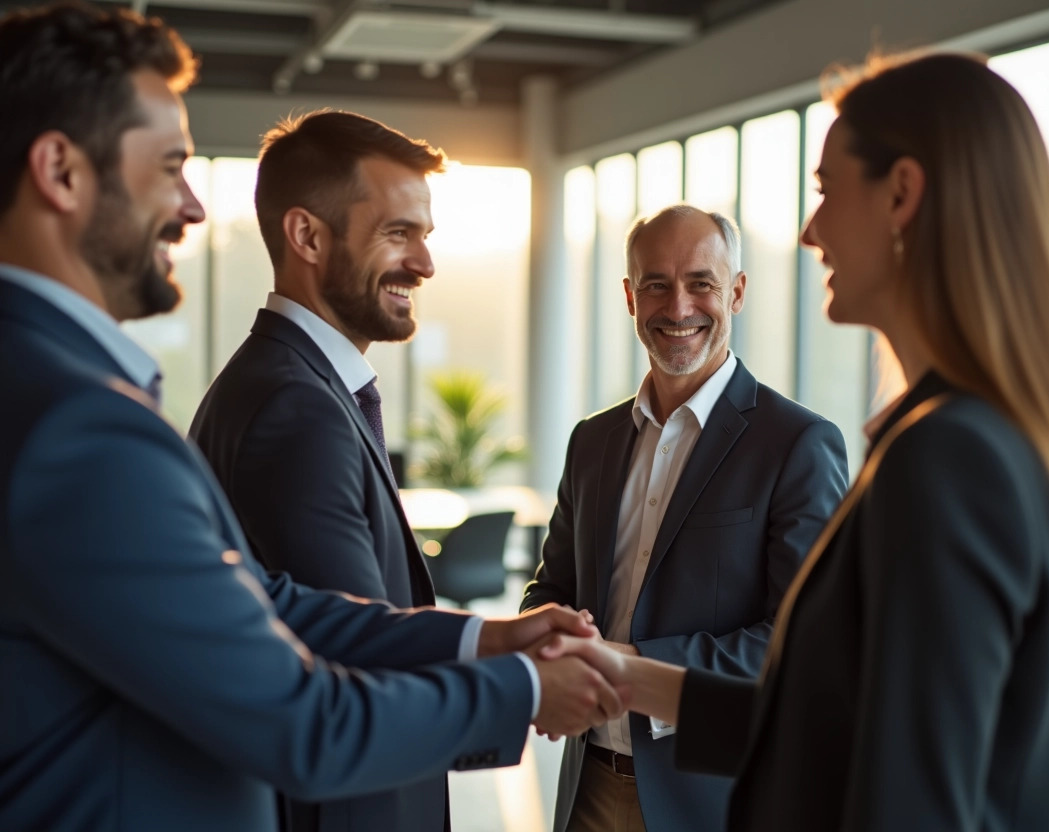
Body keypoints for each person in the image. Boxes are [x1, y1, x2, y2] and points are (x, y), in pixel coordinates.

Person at [0, 5, 623, 831]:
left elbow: (263, 602)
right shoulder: (79, 431)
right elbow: (303, 719)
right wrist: (524, 688)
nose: (192, 207)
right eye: (170, 167)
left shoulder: (44, 389)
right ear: (62, 172)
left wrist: (484, 643)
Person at [539, 52, 1049, 831]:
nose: (810, 230)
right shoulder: (981, 437)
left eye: (826, 190)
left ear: (901, 195)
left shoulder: (949, 459)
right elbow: (841, 728)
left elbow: (907, 798)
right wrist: (627, 677)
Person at [521, 204, 849, 832]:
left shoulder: (797, 444)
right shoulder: (591, 441)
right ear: (628, 296)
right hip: (585, 786)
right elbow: (551, 589)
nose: (678, 308)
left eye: (701, 282)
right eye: (655, 284)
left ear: (738, 291)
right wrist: (545, 641)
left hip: (711, 801)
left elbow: (801, 637)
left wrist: (630, 667)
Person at [190, 110, 454, 832]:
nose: (425, 264)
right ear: (306, 236)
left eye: (425, 236)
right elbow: (360, 665)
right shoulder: (295, 409)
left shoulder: (283, 382)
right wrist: (522, 680)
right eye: (398, 233)